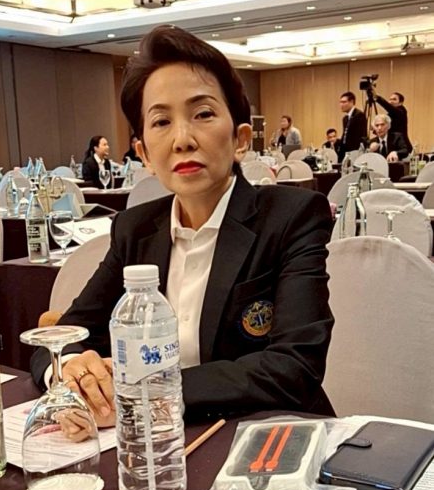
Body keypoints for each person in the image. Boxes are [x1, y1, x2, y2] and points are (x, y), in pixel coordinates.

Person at [31, 25, 335, 432]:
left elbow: (294, 366)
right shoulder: (134, 228)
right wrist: (72, 371)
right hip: (159, 444)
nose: (182, 140)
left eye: (203, 114)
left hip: (270, 435)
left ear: (241, 138)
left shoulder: (292, 216)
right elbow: (67, 334)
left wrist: (147, 395)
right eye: (161, 121)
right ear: (143, 153)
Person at [338, 91, 367, 161]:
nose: (341, 105)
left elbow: (362, 134)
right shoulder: (345, 118)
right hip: (345, 150)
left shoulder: (359, 115)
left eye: (344, 102)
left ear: (351, 102)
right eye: (340, 102)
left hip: (355, 151)